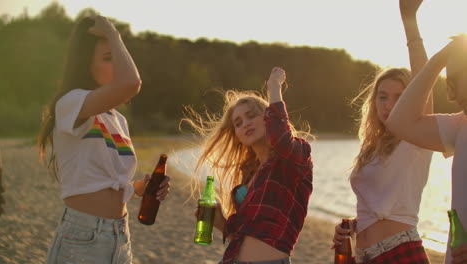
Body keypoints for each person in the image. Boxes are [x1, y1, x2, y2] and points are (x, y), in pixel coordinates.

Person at [37, 16, 170, 263]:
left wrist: (142, 187)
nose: (117, 66)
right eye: (108, 59)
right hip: (82, 235)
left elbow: (109, 185)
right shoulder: (70, 103)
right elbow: (131, 82)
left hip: (119, 235)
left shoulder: (118, 119)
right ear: (85, 64)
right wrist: (114, 34)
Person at [333, 0, 433, 263]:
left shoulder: (415, 139)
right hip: (364, 256)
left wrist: (409, 20)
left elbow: (425, 80)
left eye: (400, 97)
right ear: (373, 102)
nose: (389, 105)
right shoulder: (371, 147)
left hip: (400, 253)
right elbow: (378, 208)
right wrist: (353, 226)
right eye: (383, 97)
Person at [186, 67, 313, 264]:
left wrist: (273, 86)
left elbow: (281, 139)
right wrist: (221, 222)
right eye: (238, 123)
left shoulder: (294, 158)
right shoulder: (249, 174)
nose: (245, 123)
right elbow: (244, 234)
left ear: (267, 116)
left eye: (251, 115)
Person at [385, 33, 467, 264]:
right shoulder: (460, 126)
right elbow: (399, 122)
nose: (450, 96)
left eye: (454, 82)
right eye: (446, 84)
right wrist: (439, 60)